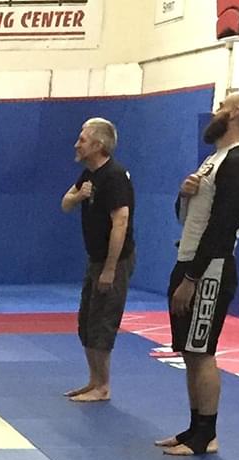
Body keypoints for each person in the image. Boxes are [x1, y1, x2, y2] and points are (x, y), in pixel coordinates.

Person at [156, 91, 239, 457]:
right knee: (188, 350)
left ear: (233, 113)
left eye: (221, 107)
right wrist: (183, 195)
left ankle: (207, 434)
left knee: (202, 351)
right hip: (188, 257)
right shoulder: (212, 160)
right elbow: (191, 218)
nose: (215, 112)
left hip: (211, 268)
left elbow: (222, 224)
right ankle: (194, 427)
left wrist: (193, 277)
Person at [59, 118, 135, 403]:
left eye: (82, 140)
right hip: (95, 259)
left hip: (113, 260)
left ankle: (103, 386)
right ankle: (93, 380)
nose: (77, 144)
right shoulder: (89, 175)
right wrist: (79, 195)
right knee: (87, 322)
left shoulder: (114, 176)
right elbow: (65, 204)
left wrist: (110, 269)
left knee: (103, 322)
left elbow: (121, 222)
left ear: (98, 145)